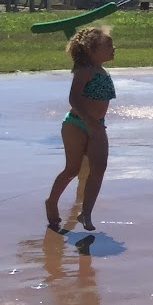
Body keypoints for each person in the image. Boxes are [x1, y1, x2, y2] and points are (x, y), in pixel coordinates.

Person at [45, 26, 115, 233]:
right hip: (76, 124)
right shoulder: (84, 72)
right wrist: (88, 121)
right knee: (73, 169)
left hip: (98, 125)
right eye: (108, 45)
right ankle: (51, 201)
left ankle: (86, 212)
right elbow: (74, 99)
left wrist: (95, 123)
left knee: (99, 167)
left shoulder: (103, 72)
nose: (114, 48)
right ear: (91, 50)